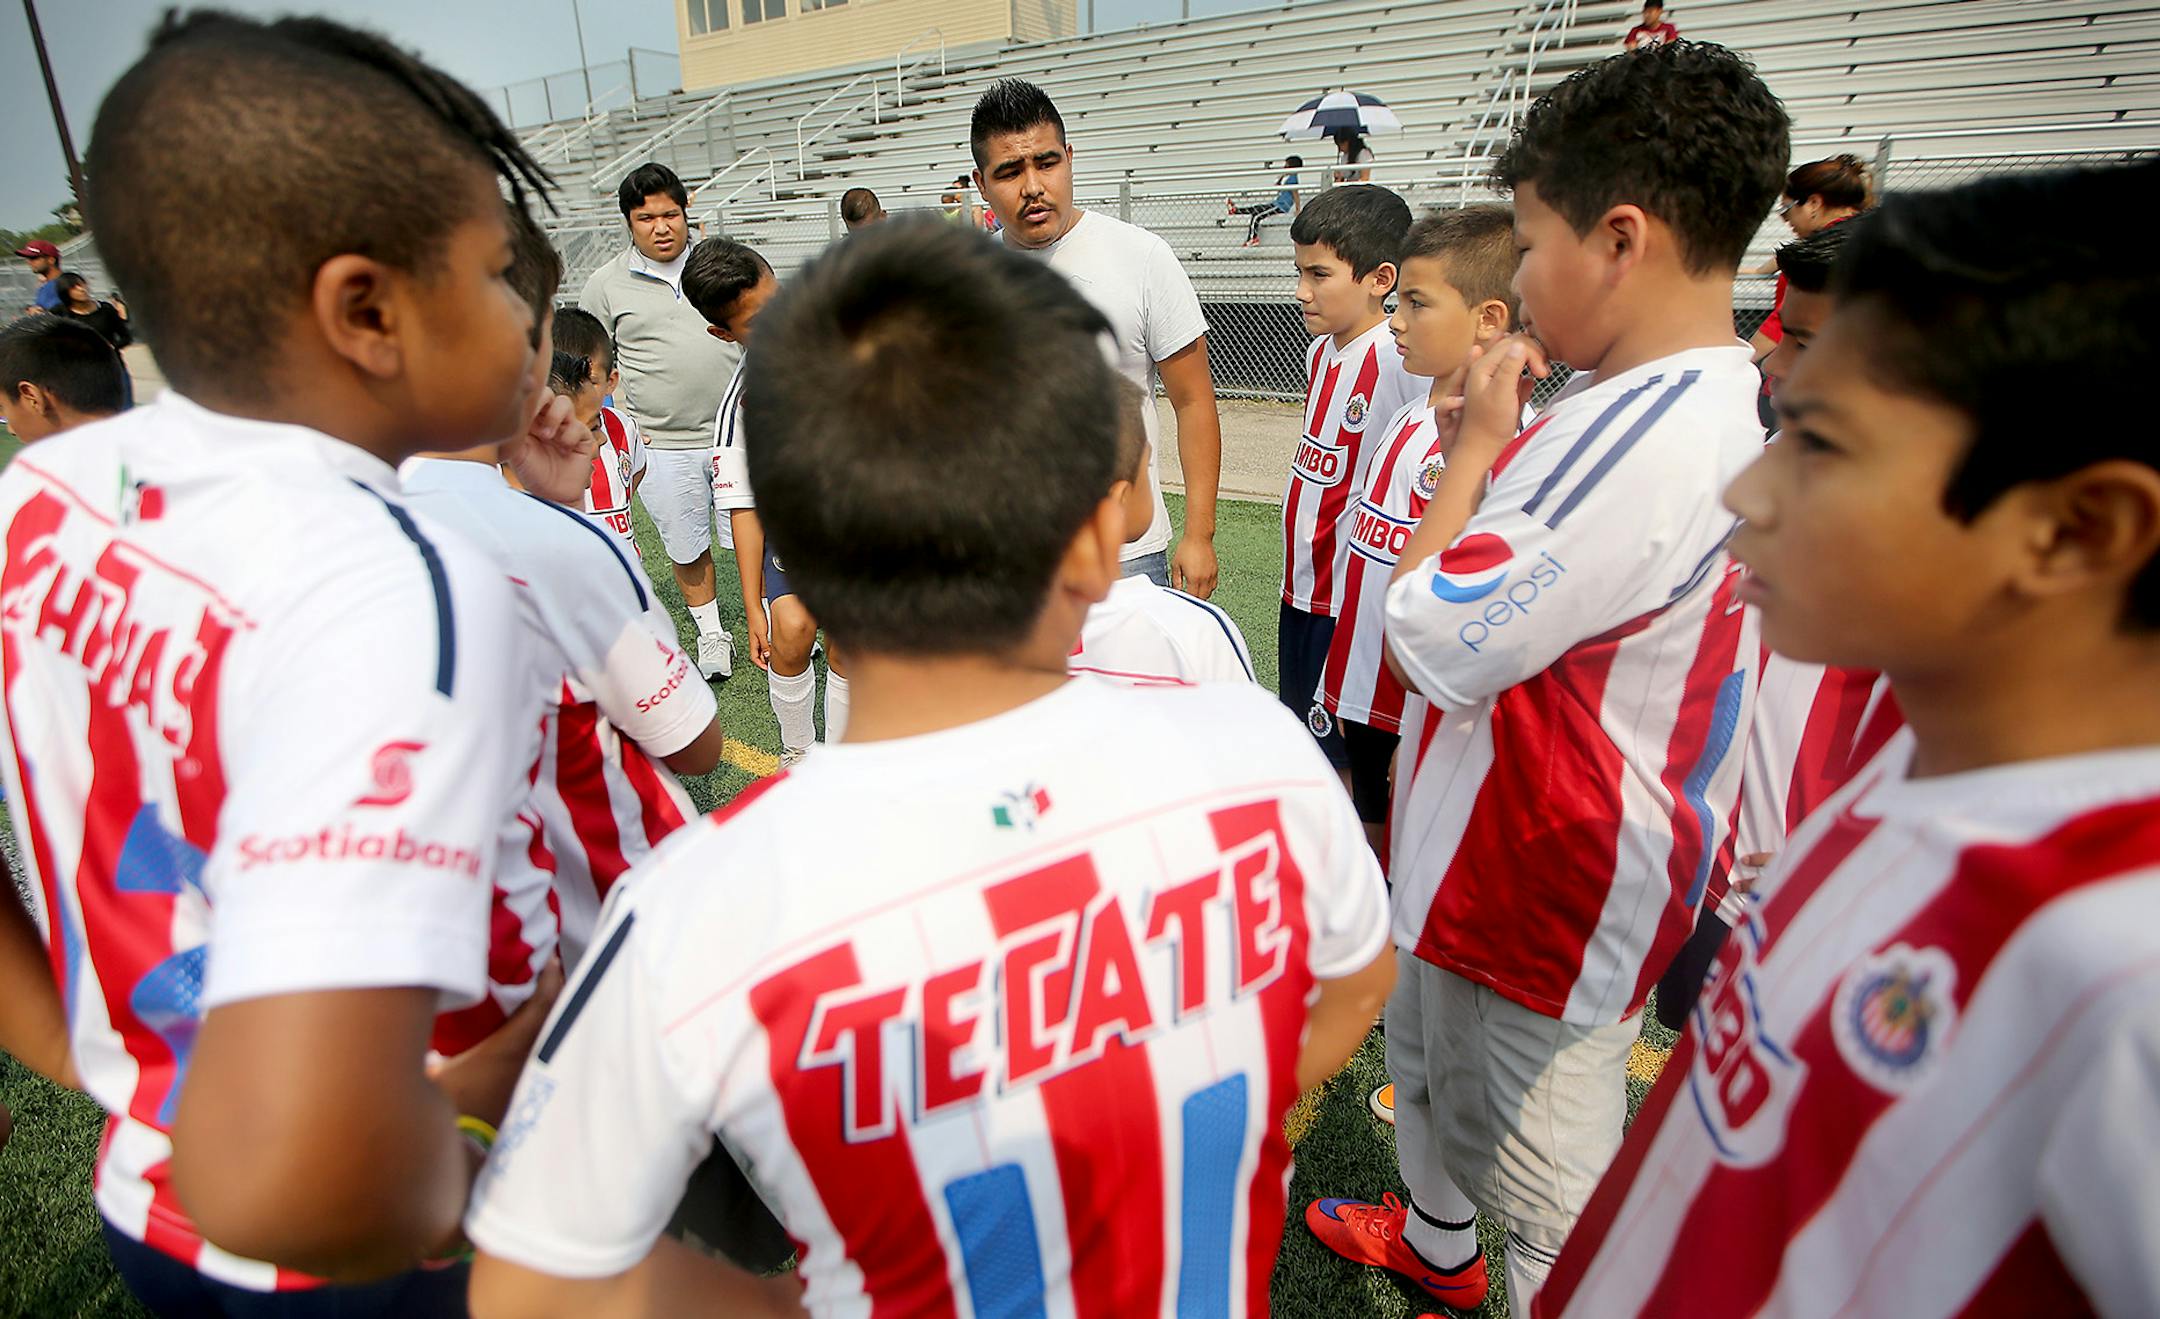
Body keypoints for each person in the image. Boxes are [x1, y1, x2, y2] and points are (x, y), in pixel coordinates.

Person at [463, 214, 1394, 1319]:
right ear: (1105, 534)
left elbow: (530, 1276)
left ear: (804, 557)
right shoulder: (1261, 755)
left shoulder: (698, 904)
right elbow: (1356, 978)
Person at [0, 10, 595, 1312]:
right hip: (365, 1246)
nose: (521, 305)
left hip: (143, 1199)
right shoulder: (397, 581)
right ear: (368, 310)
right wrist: (492, 1113)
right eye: (501, 272)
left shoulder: (45, 490)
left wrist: (97, 1063)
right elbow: (299, 1181)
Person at [1539, 156, 2160, 1319]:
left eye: (1819, 441)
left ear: (2077, 529)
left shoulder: (2123, 968)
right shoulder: (1920, 773)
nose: (1748, 493)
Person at [1306, 43, 1785, 1314]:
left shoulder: (1649, 429)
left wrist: (1470, 453)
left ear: (1618, 239)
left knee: (1557, 1199)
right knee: (1439, 1082)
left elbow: (1429, 629)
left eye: (1526, 242)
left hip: (1548, 883)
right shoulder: (1679, 399)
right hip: (1508, 850)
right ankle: (1436, 1247)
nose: (1514, 276)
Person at [1653, 214, 1899, 1034]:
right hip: (1714, 862)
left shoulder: (1948, 546)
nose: (1776, 362)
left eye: (1805, 341)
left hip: (1819, 897)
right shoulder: (1767, 461)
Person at [1315, 204, 1517, 874]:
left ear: (1488, 318)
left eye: (1417, 303)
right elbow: (1365, 565)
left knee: (1410, 871)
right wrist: (1338, 683)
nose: (1397, 320)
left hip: (1416, 710)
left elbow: (1479, 601)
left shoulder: (1500, 443)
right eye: (1397, 301)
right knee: (1367, 858)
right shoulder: (1405, 418)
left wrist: (1426, 721)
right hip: (1360, 693)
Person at [972, 78, 1226, 597]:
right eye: (1010, 171)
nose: (1032, 186)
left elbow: (1194, 400)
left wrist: (1199, 533)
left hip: (1126, 557)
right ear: (981, 184)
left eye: (1046, 162)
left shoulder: (1143, 257)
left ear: (1069, 157)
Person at [1278, 185, 1425, 821]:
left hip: (1343, 604)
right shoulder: (1319, 352)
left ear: (1379, 279)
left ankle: (1346, 881)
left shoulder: (1398, 360)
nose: (1302, 291)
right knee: (1300, 744)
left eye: (1319, 274)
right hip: (1299, 592)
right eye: (1298, 273)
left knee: (1340, 763)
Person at [686, 236, 848, 764]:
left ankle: (846, 759)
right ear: (722, 333)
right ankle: (797, 754)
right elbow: (745, 507)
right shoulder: (743, 404)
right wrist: (752, 602)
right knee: (793, 631)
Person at [581, 161, 739, 680]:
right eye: (647, 218)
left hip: (740, 433)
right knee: (686, 544)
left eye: (671, 213)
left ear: (687, 206)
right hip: (662, 443)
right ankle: (713, 633)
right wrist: (620, 421)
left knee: (761, 532)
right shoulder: (605, 285)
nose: (662, 226)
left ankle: (772, 620)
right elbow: (584, 362)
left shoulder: (720, 263)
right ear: (628, 221)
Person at [1070, 376, 1256, 686]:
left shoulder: (975, 630)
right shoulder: (1195, 631)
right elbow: (1251, 731)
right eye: (1147, 464)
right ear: (1117, 504)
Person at [1749, 153, 1872, 424]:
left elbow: (1782, 321)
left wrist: (1742, 360)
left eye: (1786, 209)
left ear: (1814, 203)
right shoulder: (1851, 242)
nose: (1785, 219)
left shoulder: (1834, 261)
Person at [549, 305, 651, 571]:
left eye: (590, 380)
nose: (576, 390)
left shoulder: (622, 429)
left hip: (624, 578)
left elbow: (636, 472)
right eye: (566, 379)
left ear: (611, 381)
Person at [0, 313, 129, 441]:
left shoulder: (45, 460)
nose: (11, 430)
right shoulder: (143, 446)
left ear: (32, 398)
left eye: (3, 407)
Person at [1223, 155, 1303, 247]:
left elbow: (1295, 194)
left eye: (1286, 165)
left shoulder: (1293, 178)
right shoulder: (1288, 178)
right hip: (1276, 203)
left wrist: (1298, 209)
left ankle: (1253, 238)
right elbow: (1277, 185)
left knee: (1257, 216)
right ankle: (1235, 210)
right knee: (1256, 209)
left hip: (1281, 206)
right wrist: (1281, 177)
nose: (1284, 166)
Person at [50, 272, 132, 350]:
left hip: (107, 360)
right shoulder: (60, 312)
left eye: (82, 284)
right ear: (65, 292)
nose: (81, 289)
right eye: (74, 287)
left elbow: (126, 337)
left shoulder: (105, 309)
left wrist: (113, 347)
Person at [15, 238, 63, 313]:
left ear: (51, 260)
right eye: (27, 258)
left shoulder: (65, 284)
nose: (28, 262)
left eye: (33, 258)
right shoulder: (45, 287)